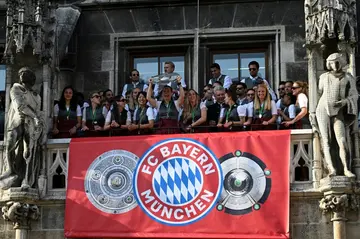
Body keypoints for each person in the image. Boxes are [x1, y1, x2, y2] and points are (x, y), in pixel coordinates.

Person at [0, 67, 46, 190]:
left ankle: (26, 178)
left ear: (32, 79)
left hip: (30, 125)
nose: (22, 76)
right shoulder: (15, 88)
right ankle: (10, 169)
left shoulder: (36, 96)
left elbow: (37, 110)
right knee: (10, 143)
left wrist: (37, 120)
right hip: (17, 122)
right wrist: (35, 116)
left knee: (28, 151)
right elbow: (20, 106)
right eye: (21, 74)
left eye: (25, 74)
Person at [315, 53, 357, 177]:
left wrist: (344, 102)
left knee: (342, 140)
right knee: (326, 140)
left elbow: (354, 95)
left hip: (338, 111)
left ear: (342, 61)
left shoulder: (348, 77)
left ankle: (346, 168)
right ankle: (331, 168)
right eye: (332, 62)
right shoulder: (323, 76)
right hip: (322, 109)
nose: (335, 65)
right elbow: (320, 91)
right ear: (329, 64)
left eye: (337, 62)